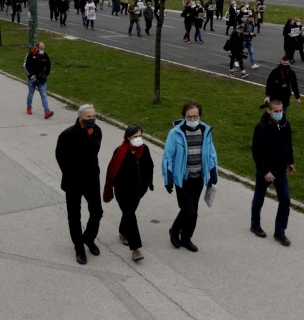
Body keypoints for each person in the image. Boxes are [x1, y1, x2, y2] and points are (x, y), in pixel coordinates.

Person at [162, 101, 218, 252]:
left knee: (194, 211)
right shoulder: (175, 133)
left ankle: (186, 238)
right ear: (184, 117)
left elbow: (211, 153)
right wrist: (168, 180)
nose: (193, 120)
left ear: (199, 115)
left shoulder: (206, 131)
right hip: (183, 179)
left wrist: (213, 172)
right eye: (189, 117)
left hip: (198, 178)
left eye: (195, 116)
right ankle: (174, 231)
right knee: (188, 210)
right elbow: (168, 157)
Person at [55, 104, 103, 265]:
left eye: (94, 116)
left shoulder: (97, 131)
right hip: (73, 182)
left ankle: (88, 238)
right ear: (80, 117)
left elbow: (94, 153)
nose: (92, 119)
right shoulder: (67, 135)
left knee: (97, 211)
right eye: (88, 116)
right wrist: (69, 173)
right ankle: (79, 248)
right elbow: (60, 156)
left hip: (92, 180)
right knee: (74, 216)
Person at [102, 124, 154, 262]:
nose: (138, 139)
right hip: (122, 191)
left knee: (128, 213)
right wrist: (112, 187)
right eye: (135, 136)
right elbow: (112, 171)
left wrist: (148, 183)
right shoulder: (120, 151)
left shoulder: (144, 150)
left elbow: (149, 166)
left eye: (140, 136)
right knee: (130, 214)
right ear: (128, 137)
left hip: (138, 190)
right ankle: (135, 249)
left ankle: (123, 232)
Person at [250, 99, 295, 246]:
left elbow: (288, 145)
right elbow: (257, 152)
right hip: (266, 171)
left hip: (280, 170)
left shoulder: (285, 125)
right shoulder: (261, 128)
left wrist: (290, 162)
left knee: (285, 199)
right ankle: (255, 225)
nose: (279, 113)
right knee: (259, 198)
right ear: (269, 111)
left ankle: (280, 232)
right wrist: (265, 171)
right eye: (276, 111)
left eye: (281, 110)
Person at [23, 42, 53, 118]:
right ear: (36, 48)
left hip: (41, 80)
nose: (42, 50)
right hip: (32, 79)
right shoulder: (30, 54)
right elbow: (25, 65)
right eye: (41, 48)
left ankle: (47, 111)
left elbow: (49, 66)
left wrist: (45, 75)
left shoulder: (45, 55)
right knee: (31, 93)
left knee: (43, 95)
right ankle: (29, 107)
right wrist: (30, 75)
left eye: (43, 48)